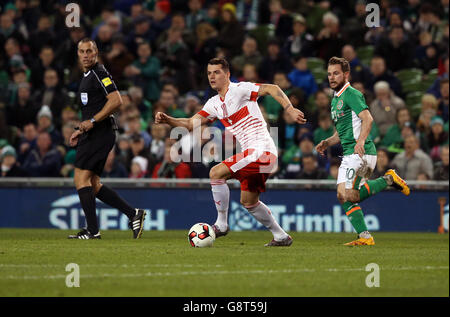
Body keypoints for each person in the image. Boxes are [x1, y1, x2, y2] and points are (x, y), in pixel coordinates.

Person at [155, 57, 306, 246]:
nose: (212, 76)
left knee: (216, 172)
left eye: (217, 72)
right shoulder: (213, 104)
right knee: (249, 202)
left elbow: (271, 88)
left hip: (261, 150)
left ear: (227, 74)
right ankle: (281, 236)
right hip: (257, 155)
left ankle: (222, 224)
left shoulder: (240, 89)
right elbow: (189, 123)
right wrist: (168, 119)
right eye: (209, 73)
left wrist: (290, 109)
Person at [315, 57, 410, 246]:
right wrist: (327, 141)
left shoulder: (352, 94)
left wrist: (361, 141)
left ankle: (388, 179)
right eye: (329, 74)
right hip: (349, 153)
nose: (331, 78)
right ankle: (365, 237)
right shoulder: (335, 99)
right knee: (344, 196)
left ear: (346, 74)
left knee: (350, 195)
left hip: (362, 153)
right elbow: (342, 132)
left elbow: (368, 119)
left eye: (336, 73)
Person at [67, 38, 145, 240]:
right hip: (94, 132)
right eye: (82, 51)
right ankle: (133, 213)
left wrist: (92, 121)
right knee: (93, 183)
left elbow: (116, 100)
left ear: (96, 53)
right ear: (78, 54)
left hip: (100, 132)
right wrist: (82, 129)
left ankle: (93, 231)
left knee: (80, 178)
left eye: (89, 51)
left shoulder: (99, 73)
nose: (85, 55)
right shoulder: (87, 75)